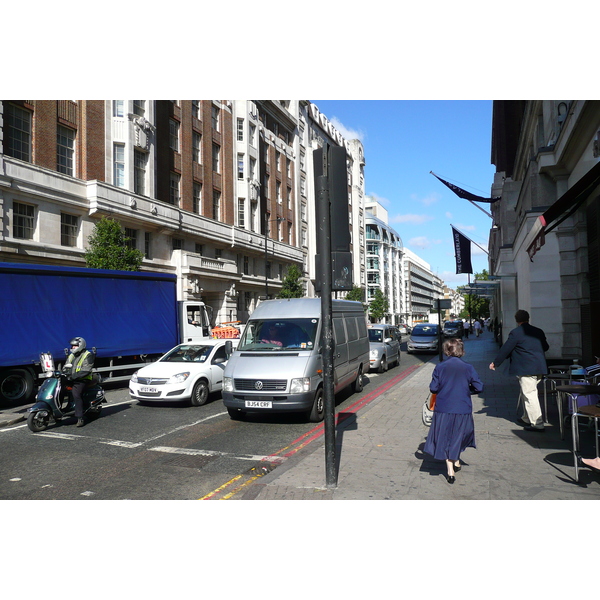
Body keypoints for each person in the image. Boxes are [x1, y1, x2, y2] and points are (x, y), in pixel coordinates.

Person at [423, 338, 483, 484]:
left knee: (445, 437)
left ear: (446, 350)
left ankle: (451, 469)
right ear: (461, 350)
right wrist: (466, 390)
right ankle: (453, 465)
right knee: (458, 436)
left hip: (444, 407)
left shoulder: (440, 367)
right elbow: (479, 387)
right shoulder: (468, 367)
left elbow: (433, 388)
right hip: (462, 407)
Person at [489, 309, 549, 432]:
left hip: (526, 368)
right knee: (527, 392)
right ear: (528, 318)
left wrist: (496, 363)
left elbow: (506, 349)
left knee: (530, 394)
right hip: (539, 367)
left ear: (516, 320)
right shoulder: (538, 331)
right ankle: (526, 417)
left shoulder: (515, 333)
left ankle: (537, 423)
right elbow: (546, 347)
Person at [63, 337, 95, 427]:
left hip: (83, 379)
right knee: (59, 388)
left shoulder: (88, 355)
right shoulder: (71, 355)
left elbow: (86, 370)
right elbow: (66, 366)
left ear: (81, 346)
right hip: (72, 378)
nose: (73, 347)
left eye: (75, 346)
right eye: (72, 346)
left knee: (76, 393)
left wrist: (73, 376)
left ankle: (80, 418)